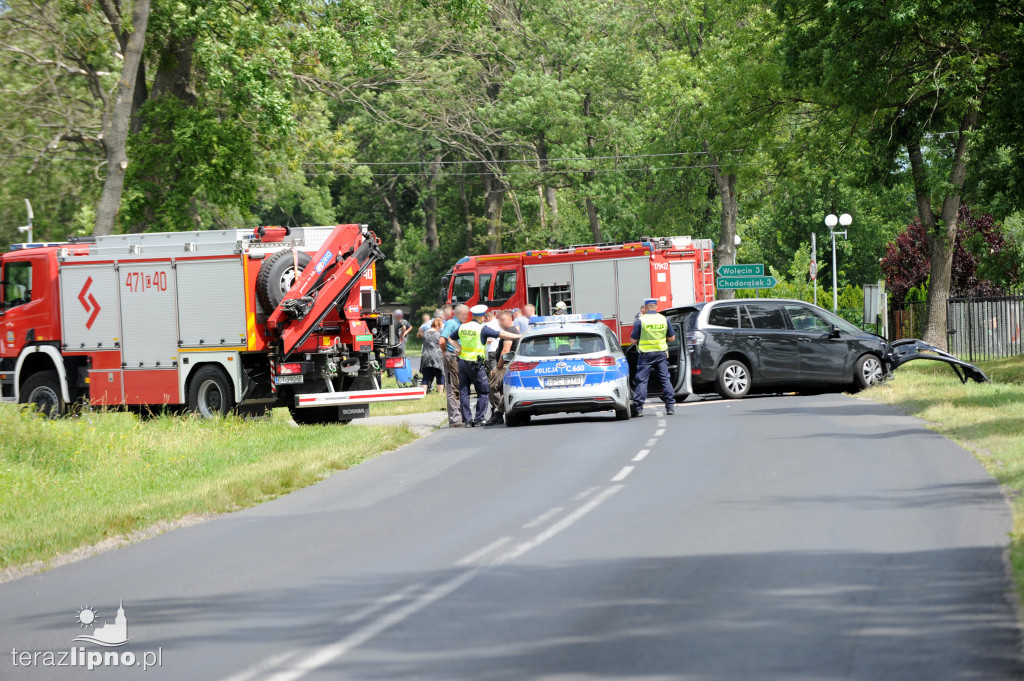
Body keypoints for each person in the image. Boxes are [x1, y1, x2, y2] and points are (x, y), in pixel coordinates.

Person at [444, 304, 520, 427]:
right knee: (483, 391)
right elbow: (502, 335)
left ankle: (467, 421)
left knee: (464, 391)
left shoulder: (463, 327)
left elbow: (449, 338)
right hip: (475, 364)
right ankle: (479, 418)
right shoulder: (482, 329)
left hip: (462, 363)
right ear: (483, 317)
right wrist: (519, 336)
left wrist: (459, 348)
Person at [631, 298, 676, 417]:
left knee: (642, 380)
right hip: (661, 353)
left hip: (646, 355)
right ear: (656, 307)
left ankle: (638, 408)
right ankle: (670, 407)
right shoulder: (663, 319)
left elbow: (633, 341)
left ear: (645, 308)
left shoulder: (641, 320)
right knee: (665, 379)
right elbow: (672, 338)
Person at [484, 310, 521, 426]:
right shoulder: (513, 331)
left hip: (504, 365)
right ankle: (498, 414)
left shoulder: (510, 331)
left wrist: (498, 367)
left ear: (508, 319)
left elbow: (505, 350)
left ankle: (497, 413)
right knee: (500, 390)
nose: (499, 323)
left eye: (501, 320)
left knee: (494, 387)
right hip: (508, 364)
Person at [439, 305, 465, 427]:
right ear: (458, 314)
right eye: (464, 314)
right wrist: (445, 352)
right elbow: (442, 340)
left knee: (457, 387)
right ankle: (455, 419)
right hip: (451, 357)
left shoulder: (457, 323)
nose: (466, 316)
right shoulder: (451, 324)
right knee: (453, 388)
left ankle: (458, 416)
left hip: (455, 356)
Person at [420, 317, 445, 393]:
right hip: (436, 356)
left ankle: (423, 393)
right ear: (438, 326)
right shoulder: (438, 334)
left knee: (425, 377)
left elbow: (420, 331)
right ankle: (440, 394)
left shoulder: (425, 333)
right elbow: (442, 344)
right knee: (439, 374)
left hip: (425, 356)